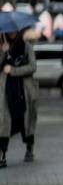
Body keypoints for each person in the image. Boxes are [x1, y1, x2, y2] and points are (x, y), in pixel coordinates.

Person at [0, 31, 38, 167]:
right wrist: (4, 52)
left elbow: (33, 67)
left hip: (24, 90)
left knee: (26, 120)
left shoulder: (26, 46)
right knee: (4, 123)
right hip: (6, 91)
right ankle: (2, 154)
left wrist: (14, 70)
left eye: (14, 30)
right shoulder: (1, 46)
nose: (11, 33)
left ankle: (29, 148)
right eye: (8, 31)